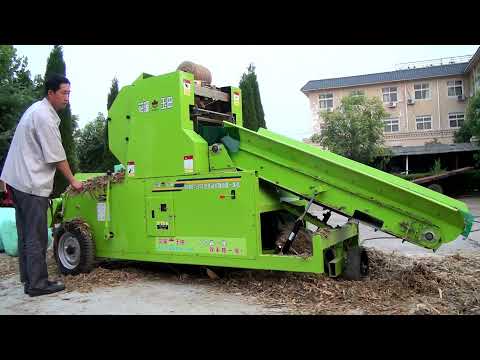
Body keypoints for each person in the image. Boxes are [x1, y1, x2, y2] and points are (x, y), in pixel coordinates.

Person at [0, 73, 83, 297]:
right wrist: (74, 180)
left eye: (69, 93)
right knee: (36, 235)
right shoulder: (44, 117)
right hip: (30, 183)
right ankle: (38, 283)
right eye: (64, 93)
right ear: (51, 93)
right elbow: (56, 156)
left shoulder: (36, 110)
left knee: (26, 234)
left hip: (17, 181)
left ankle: (29, 278)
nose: (67, 98)